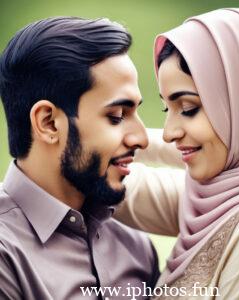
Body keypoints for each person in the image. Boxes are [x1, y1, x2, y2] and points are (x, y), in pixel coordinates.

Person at [116, 8, 239, 299]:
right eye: (167, 108)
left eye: (189, 109)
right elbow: (109, 182)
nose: (169, 132)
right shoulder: (216, 197)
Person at [0, 17, 160, 299]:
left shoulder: (135, 246)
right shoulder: (7, 256)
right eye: (117, 116)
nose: (142, 139)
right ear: (49, 123)